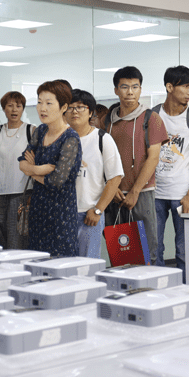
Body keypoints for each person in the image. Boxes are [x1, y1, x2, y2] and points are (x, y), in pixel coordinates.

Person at [104, 66, 168, 264]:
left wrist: (135, 191)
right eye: (124, 87)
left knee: (146, 252)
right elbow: (101, 157)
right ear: (116, 90)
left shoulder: (151, 119)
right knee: (119, 252)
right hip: (113, 194)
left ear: (140, 89)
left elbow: (153, 158)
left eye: (135, 87)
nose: (130, 92)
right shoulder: (107, 120)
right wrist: (110, 187)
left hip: (142, 193)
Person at [154, 66, 189, 279]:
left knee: (184, 249)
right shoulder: (154, 114)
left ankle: (187, 290)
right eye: (185, 86)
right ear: (169, 87)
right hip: (155, 192)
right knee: (154, 247)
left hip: (183, 193)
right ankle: (157, 287)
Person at [19, 81, 82, 256]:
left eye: (49, 103)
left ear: (64, 107)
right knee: (37, 261)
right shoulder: (40, 131)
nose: (42, 108)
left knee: (60, 263)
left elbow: (56, 181)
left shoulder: (70, 138)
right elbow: (22, 163)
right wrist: (39, 170)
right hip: (38, 210)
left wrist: (31, 170)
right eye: (39, 102)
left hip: (61, 214)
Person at [67, 89, 123, 258]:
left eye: (80, 107)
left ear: (90, 112)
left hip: (89, 213)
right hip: (62, 213)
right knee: (63, 264)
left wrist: (98, 210)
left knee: (88, 264)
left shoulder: (102, 138)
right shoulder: (59, 139)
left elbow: (115, 178)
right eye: (70, 107)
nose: (75, 111)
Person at [0, 91, 36, 249]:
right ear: (3, 109)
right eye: (10, 105)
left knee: (15, 238)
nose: (14, 109)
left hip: (21, 192)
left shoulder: (31, 130)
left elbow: (36, 162)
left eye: (18, 106)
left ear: (23, 109)